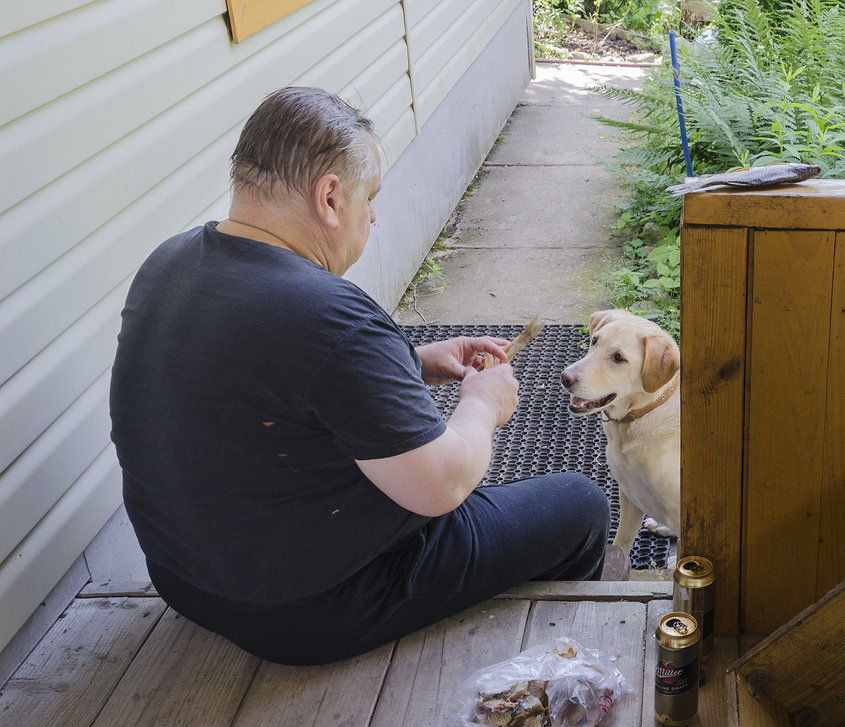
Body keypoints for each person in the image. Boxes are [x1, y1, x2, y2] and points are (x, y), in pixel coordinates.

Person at [109, 86, 610, 666]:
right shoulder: (328, 313)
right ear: (329, 196)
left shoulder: (169, 261)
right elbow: (443, 486)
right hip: (309, 610)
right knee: (580, 505)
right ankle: (561, 665)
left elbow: (266, 384)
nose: (372, 214)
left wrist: (412, 362)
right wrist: (483, 403)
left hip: (184, 579)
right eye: (369, 196)